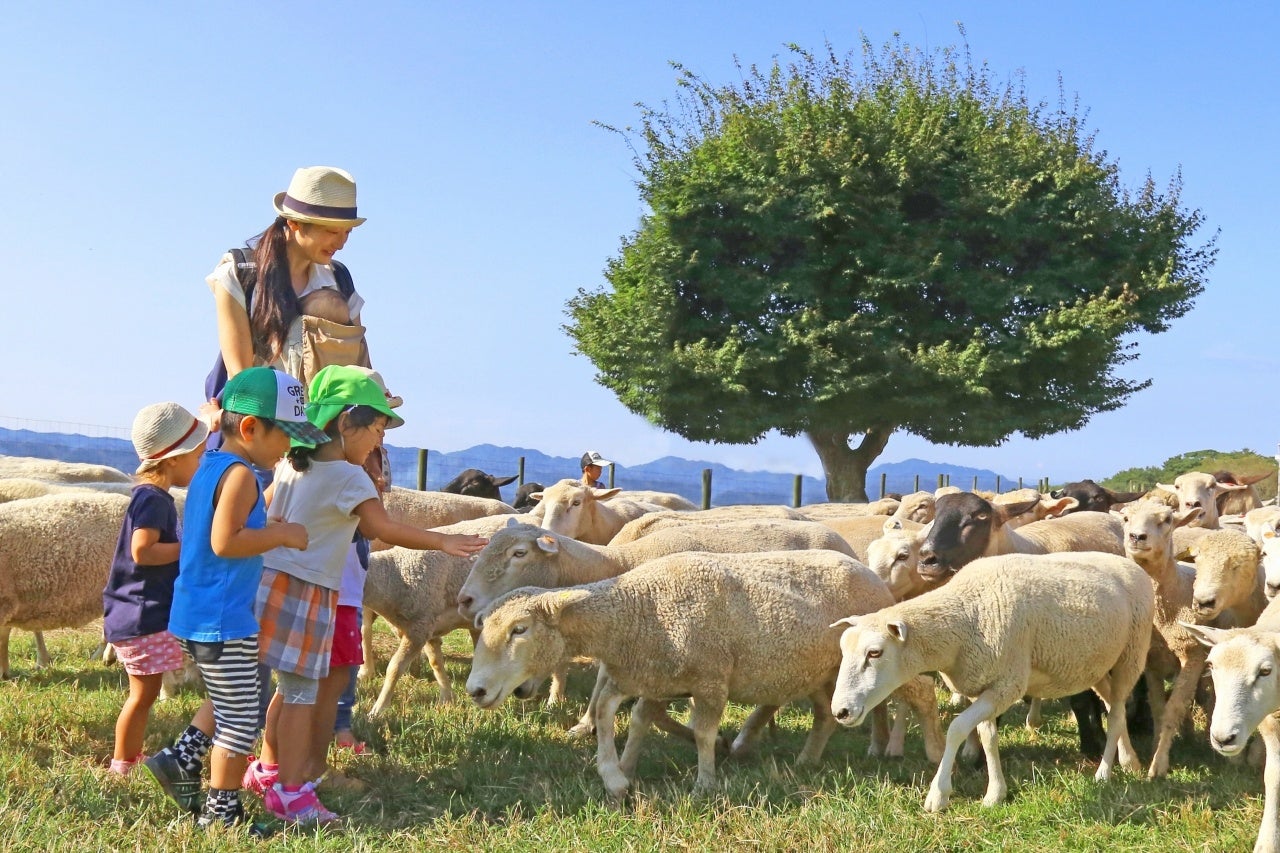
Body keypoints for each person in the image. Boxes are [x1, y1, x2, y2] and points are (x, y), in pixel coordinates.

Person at [242, 365, 487, 826]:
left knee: (285, 690)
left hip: (270, 583)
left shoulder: (293, 464)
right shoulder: (351, 479)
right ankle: (292, 793)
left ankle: (268, 769)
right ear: (345, 421)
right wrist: (442, 541)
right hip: (311, 592)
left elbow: (266, 510)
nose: (378, 441)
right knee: (302, 695)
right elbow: (382, 529)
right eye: (375, 429)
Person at [144, 367, 325, 833]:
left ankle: (178, 760)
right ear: (249, 428)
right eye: (284, 435)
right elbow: (226, 542)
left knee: (229, 703)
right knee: (240, 721)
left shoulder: (211, 465)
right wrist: (282, 534)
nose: (289, 447)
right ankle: (220, 815)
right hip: (224, 618)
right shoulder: (243, 475)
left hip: (197, 612)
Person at [104, 403, 208, 776]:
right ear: (174, 458)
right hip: (140, 613)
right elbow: (143, 550)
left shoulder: (152, 496)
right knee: (142, 695)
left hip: (138, 612)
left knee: (143, 694)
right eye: (197, 454)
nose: (200, 462)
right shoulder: (153, 499)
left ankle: (128, 758)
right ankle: (123, 763)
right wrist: (192, 547)